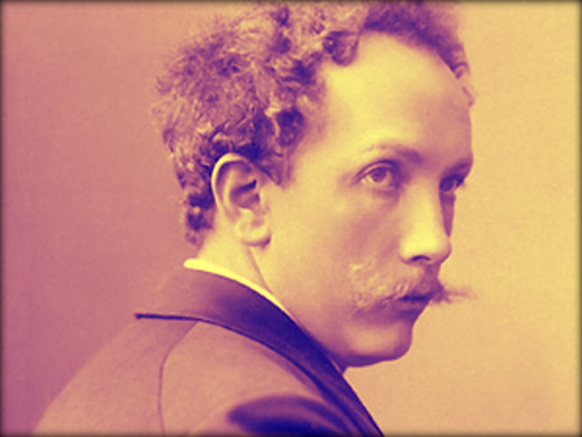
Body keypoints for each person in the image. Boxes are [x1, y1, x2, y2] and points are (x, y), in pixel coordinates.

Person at [35, 1, 474, 434]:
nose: (436, 241)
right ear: (247, 200)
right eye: (381, 175)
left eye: (449, 184)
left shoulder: (154, 377)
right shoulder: (258, 417)